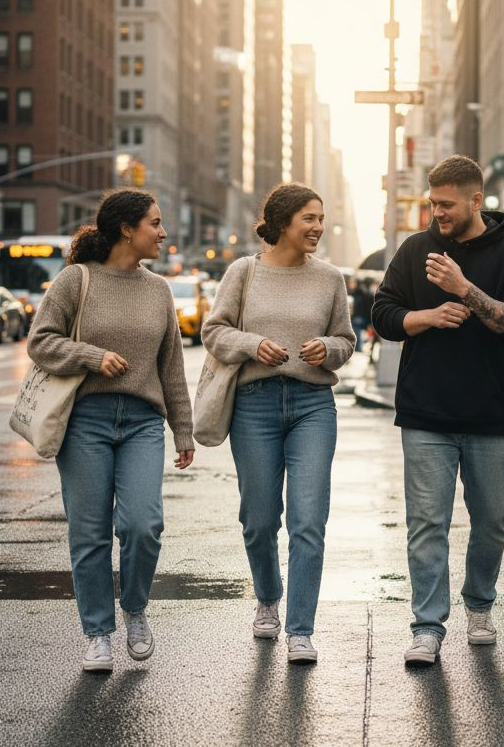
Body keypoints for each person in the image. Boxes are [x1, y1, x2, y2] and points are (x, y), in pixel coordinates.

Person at [371, 155, 504, 666]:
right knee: (426, 523)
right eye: (432, 203)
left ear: (476, 200)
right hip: (426, 413)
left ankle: (479, 603)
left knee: (493, 519)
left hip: (492, 414)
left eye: (446, 204)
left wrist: (464, 289)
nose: (437, 213)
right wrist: (426, 315)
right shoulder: (415, 249)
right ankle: (427, 626)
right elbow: (383, 315)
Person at [27, 188, 195, 673]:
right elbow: (40, 341)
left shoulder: (159, 289)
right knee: (90, 534)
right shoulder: (75, 281)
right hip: (86, 422)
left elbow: (171, 367)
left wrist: (182, 430)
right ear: (127, 229)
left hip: (143, 421)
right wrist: (91, 356)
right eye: (155, 224)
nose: (163, 233)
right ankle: (98, 633)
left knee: (144, 525)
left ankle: (135, 608)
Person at [201, 183, 356, 664]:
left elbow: (346, 341)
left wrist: (326, 349)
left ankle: (300, 629)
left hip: (313, 404)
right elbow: (213, 331)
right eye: (309, 218)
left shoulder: (330, 278)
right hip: (254, 403)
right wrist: (252, 345)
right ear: (284, 222)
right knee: (260, 518)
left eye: (321, 218)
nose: (317, 227)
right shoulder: (243, 272)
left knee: (309, 521)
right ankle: (268, 597)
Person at [350, 277, 373, 352]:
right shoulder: (367, 293)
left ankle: (358, 347)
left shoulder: (357, 293)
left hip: (357, 316)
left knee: (357, 332)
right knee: (358, 332)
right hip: (361, 316)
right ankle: (358, 347)